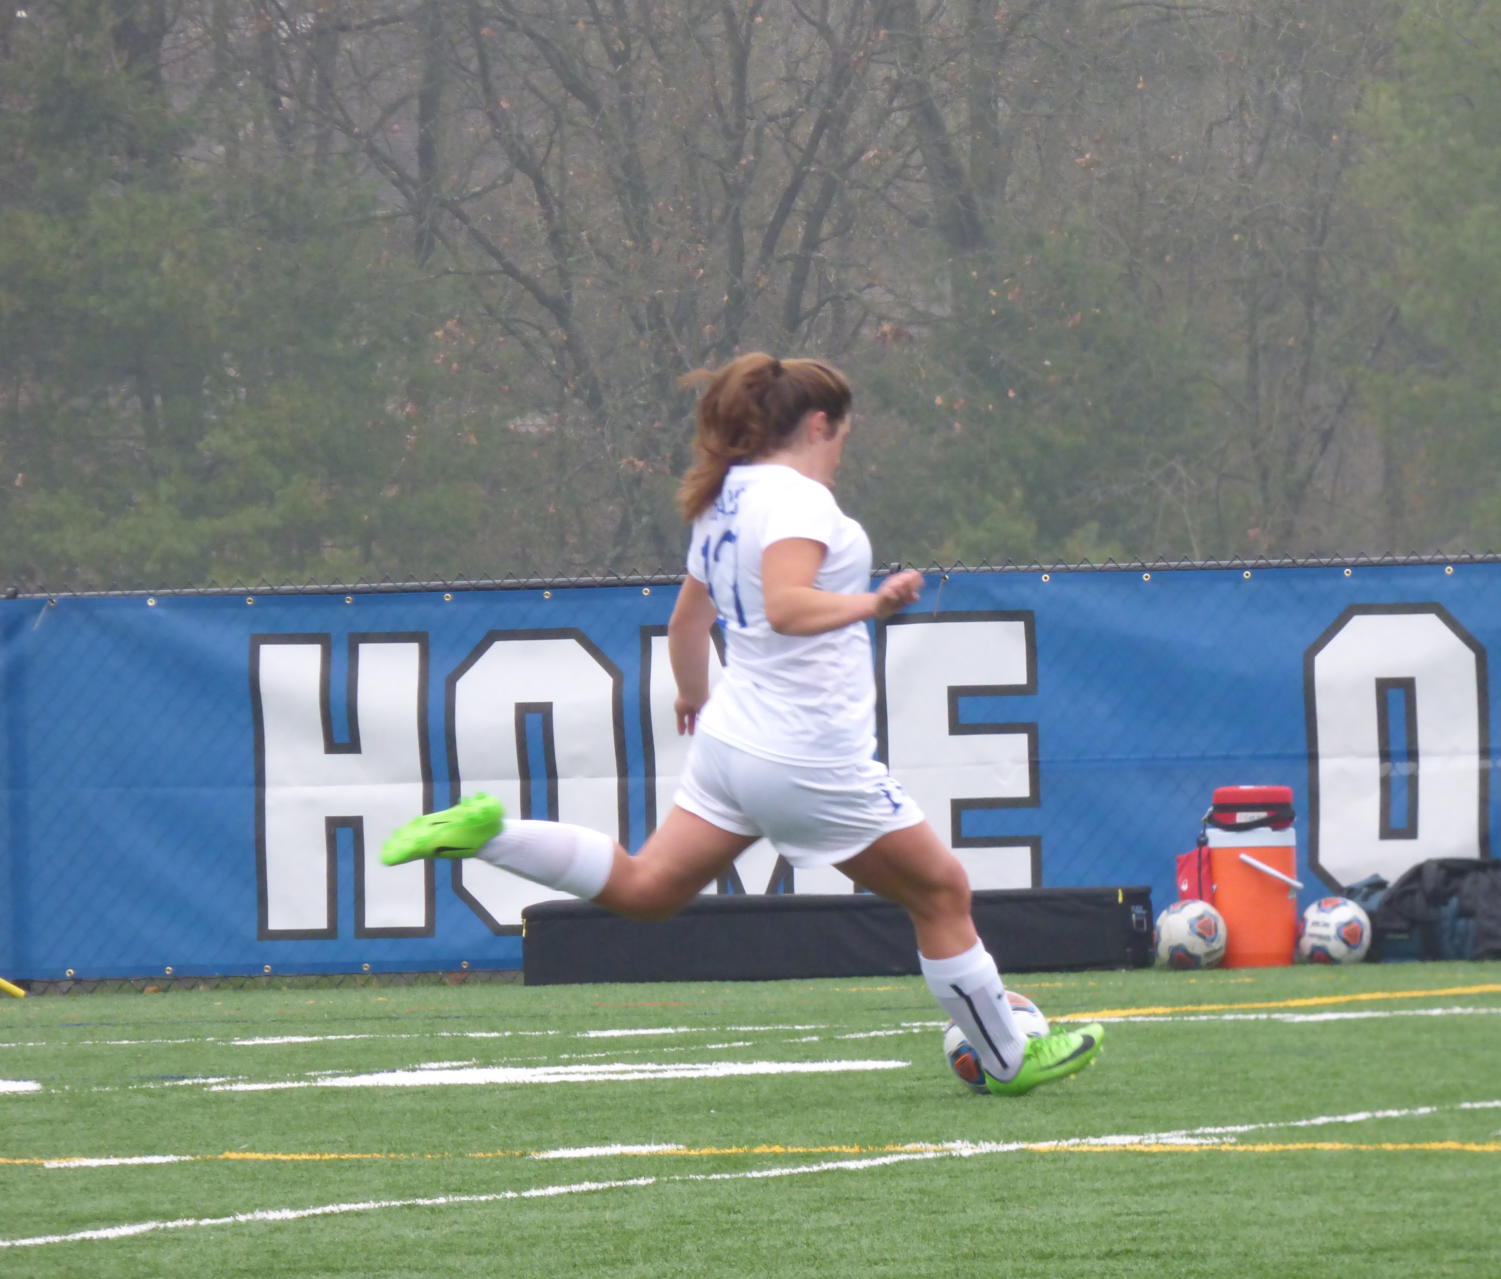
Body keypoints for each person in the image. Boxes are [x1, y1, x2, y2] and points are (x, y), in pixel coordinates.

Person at [382, 352, 1104, 1096]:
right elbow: (788, 608)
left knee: (647, 888)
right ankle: (1009, 1059)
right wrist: (874, 603)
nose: (842, 448)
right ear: (819, 422)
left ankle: (487, 833)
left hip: (733, 740)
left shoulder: (723, 498)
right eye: (843, 432)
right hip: (803, 752)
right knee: (941, 892)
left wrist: (693, 695)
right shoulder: (797, 501)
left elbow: (686, 620)